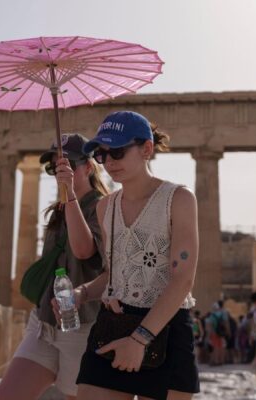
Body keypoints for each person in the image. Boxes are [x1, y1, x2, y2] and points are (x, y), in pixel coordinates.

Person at [63, 111, 199, 400]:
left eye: (118, 151)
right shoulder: (105, 208)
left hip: (166, 326)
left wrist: (140, 339)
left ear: (146, 149)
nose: (109, 161)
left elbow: (182, 279)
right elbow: (115, 272)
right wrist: (81, 293)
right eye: (101, 155)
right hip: (114, 323)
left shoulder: (179, 200)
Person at [0, 133, 109, 400]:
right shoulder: (57, 210)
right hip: (44, 321)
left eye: (67, 164)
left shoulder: (103, 207)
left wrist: (70, 193)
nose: (59, 172)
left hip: (82, 325)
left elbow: (84, 251)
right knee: (8, 395)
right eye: (53, 166)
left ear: (88, 168)